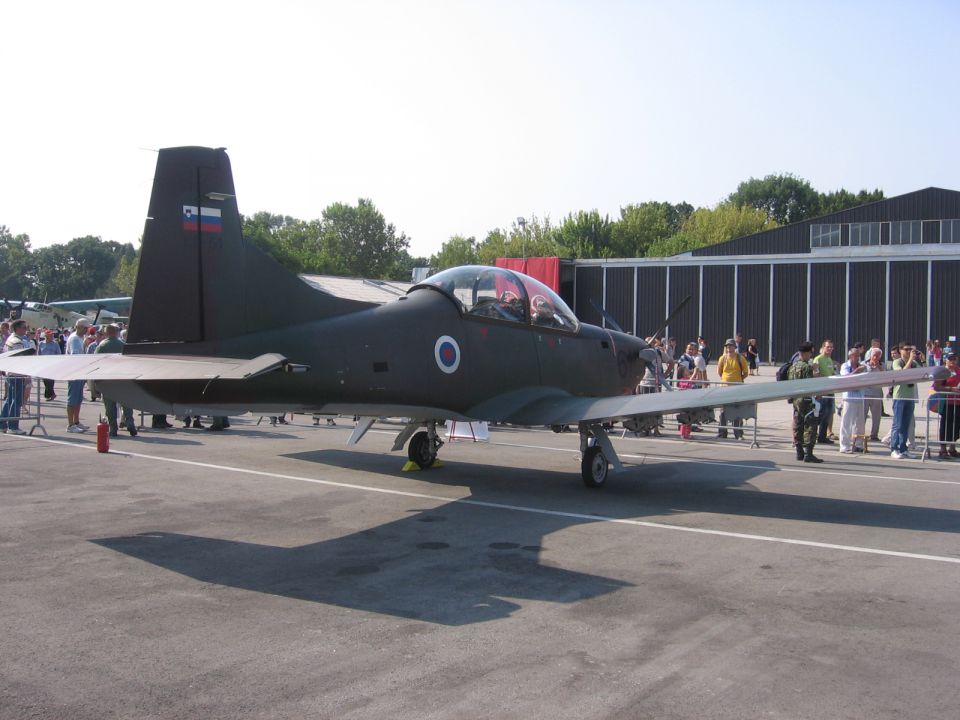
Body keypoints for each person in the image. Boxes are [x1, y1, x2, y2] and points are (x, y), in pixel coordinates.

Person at [94, 324, 137, 437]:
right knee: (126, 402)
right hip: (123, 378)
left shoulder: (101, 346)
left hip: (107, 379)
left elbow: (96, 363)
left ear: (106, 333)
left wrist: (95, 382)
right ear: (116, 332)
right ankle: (130, 422)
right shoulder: (123, 345)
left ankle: (113, 427)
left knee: (110, 405)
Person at [789, 341, 823, 463]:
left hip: (796, 400)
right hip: (807, 399)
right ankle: (808, 452)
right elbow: (810, 383)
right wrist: (814, 370)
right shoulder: (806, 367)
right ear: (808, 352)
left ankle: (799, 451)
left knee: (798, 425)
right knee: (810, 425)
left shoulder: (793, 366)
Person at [890, 341, 920, 459]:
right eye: (906, 349)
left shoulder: (914, 363)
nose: (908, 351)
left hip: (910, 397)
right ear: (901, 350)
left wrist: (920, 359)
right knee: (897, 425)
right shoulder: (897, 362)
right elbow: (902, 374)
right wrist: (910, 360)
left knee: (905, 425)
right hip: (899, 397)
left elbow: (921, 372)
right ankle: (894, 448)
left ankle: (903, 448)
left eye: (910, 349)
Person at [0, 319, 31, 434]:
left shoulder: (11, 339)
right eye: (24, 327)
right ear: (17, 328)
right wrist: (25, 374)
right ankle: (13, 426)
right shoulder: (17, 341)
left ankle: (2, 424)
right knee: (16, 401)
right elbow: (20, 360)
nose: (26, 329)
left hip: (12, 373)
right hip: (17, 374)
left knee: (10, 400)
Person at [716, 338, 748, 439]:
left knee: (737, 412)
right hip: (724, 389)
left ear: (735, 347)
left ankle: (738, 434)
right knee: (723, 412)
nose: (728, 347)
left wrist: (738, 380)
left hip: (736, 389)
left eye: (730, 346)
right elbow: (719, 372)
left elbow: (745, 372)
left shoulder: (740, 358)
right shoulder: (722, 358)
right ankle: (722, 433)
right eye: (727, 346)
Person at [838, 347, 867, 453]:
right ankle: (844, 446)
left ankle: (858, 444)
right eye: (855, 355)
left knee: (859, 424)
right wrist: (856, 371)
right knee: (847, 423)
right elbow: (846, 379)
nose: (857, 358)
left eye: (858, 355)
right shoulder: (845, 366)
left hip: (860, 396)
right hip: (849, 398)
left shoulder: (862, 366)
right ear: (850, 356)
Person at [65, 318, 90, 433]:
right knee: (73, 399)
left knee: (78, 398)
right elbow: (75, 356)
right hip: (74, 371)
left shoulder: (80, 338)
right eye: (85, 328)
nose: (86, 330)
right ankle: (71, 424)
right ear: (78, 327)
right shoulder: (75, 338)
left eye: (87, 328)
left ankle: (76, 421)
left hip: (79, 371)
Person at [933, 352, 960, 459]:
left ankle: (952, 448)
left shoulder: (958, 370)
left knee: (956, 426)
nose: (952, 361)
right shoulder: (942, 371)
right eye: (950, 359)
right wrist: (951, 389)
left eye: (954, 359)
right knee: (946, 426)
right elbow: (937, 387)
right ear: (946, 360)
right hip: (947, 403)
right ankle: (942, 449)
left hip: (958, 403)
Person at [813, 340, 837, 444]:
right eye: (828, 347)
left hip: (830, 391)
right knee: (820, 414)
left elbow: (831, 373)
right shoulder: (818, 359)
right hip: (822, 391)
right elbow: (815, 374)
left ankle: (822, 436)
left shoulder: (829, 359)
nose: (830, 349)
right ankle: (814, 434)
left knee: (827, 414)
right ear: (823, 347)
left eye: (831, 347)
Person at [861, 348, 885, 442]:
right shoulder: (863, 364)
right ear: (870, 355)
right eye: (874, 355)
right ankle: (861, 433)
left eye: (878, 355)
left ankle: (874, 435)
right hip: (865, 394)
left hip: (877, 394)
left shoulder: (882, 365)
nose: (876, 357)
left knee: (877, 417)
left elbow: (885, 376)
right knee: (862, 415)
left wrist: (879, 367)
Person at [38, 329, 61, 400]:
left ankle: (48, 395)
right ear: (46, 336)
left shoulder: (55, 344)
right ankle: (52, 394)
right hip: (43, 364)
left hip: (52, 365)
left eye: (52, 335)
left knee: (50, 380)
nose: (52, 336)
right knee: (45, 380)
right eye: (50, 335)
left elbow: (59, 353)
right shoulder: (41, 343)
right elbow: (39, 354)